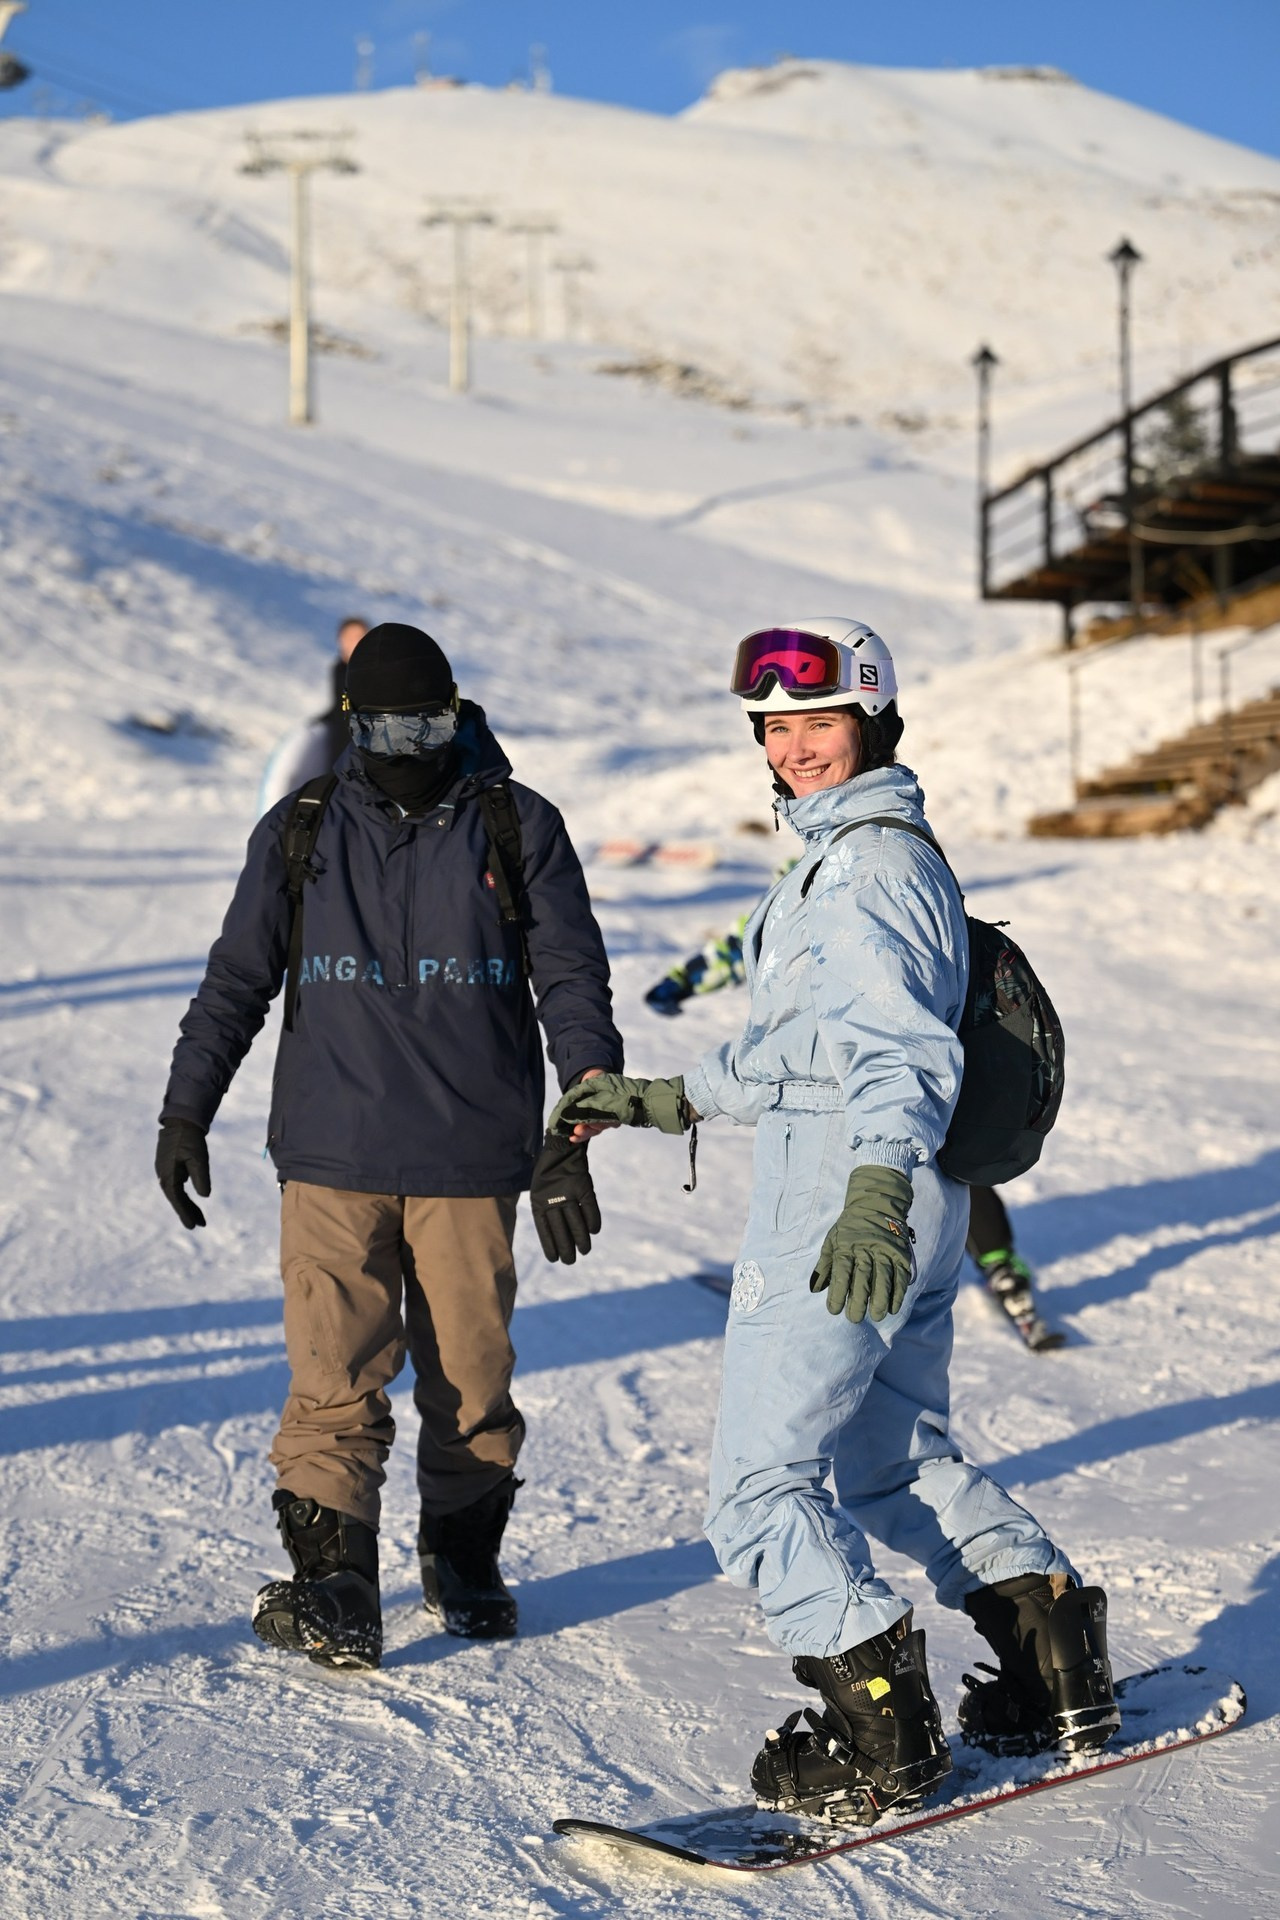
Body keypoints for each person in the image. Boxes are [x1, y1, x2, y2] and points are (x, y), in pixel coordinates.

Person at [550, 618, 1118, 1825]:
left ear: (871, 721)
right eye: (776, 727)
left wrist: (865, 1193)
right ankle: (1049, 1651)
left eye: (819, 721)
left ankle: (880, 1734)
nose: (796, 746)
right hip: (900, 1192)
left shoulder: (863, 866)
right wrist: (663, 1097)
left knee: (757, 1490)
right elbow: (804, 1051)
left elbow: (899, 1052)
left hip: (846, 1198)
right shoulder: (856, 854)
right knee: (886, 1456)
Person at [156, 622, 623, 1669]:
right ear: (352, 723)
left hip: (470, 1156)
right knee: (334, 1377)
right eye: (384, 723)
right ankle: (338, 1588)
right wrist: (185, 1109)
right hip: (333, 1154)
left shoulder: (516, 824)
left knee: (470, 1378)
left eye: (428, 720)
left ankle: (461, 1561)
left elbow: (572, 983)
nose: (407, 743)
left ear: (456, 715)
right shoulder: (304, 828)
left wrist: (578, 1121)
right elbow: (237, 981)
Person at [647, 919, 1063, 1350]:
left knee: (862, 1148)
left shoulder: (846, 865)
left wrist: (688, 979)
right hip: (926, 1042)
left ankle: (815, 1272)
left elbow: (761, 936)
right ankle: (993, 1262)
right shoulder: (914, 863)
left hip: (857, 1045)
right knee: (929, 1146)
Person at [258, 615, 369, 815]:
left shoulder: (374, 672)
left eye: (362, 637)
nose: (356, 643)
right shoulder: (338, 670)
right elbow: (339, 706)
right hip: (340, 750)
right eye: (351, 638)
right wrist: (318, 723)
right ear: (340, 640)